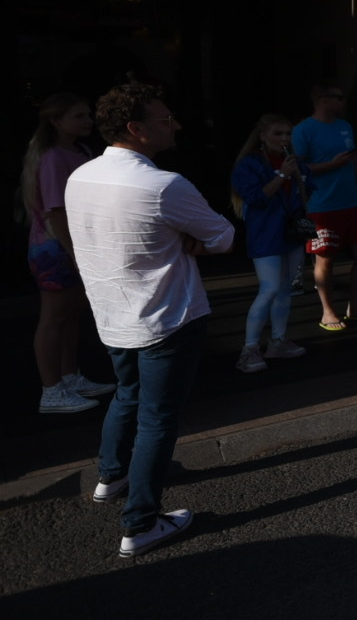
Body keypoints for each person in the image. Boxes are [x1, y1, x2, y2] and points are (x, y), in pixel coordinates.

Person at [66, 82, 234, 558]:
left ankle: (110, 475)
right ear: (136, 129)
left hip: (112, 311)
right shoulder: (163, 185)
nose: (175, 124)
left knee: (127, 394)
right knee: (158, 419)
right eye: (166, 119)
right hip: (166, 315)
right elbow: (222, 237)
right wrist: (190, 238)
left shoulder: (80, 176)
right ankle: (140, 523)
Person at [19, 93, 115, 413]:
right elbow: (56, 211)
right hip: (56, 246)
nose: (88, 120)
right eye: (79, 115)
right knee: (54, 317)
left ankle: (69, 376)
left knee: (71, 314)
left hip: (76, 243)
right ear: (56, 121)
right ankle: (51, 389)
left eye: (88, 114)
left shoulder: (82, 151)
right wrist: (74, 252)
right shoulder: (52, 158)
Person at [293, 81, 357, 330]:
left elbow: (354, 163)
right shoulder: (304, 130)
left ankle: (356, 306)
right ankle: (328, 312)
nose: (344, 102)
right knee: (325, 259)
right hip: (322, 205)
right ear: (322, 99)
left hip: (352, 202)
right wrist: (330, 165)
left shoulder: (344, 126)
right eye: (339, 97)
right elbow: (297, 170)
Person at [229, 115, 310, 373]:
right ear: (263, 135)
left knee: (286, 288)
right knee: (270, 287)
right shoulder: (249, 164)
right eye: (278, 134)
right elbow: (255, 197)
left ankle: (277, 341)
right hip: (266, 233)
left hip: (291, 232)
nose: (284, 139)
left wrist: (298, 177)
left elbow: (307, 189)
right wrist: (282, 176)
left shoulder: (293, 161)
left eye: (288, 134)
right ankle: (249, 348)